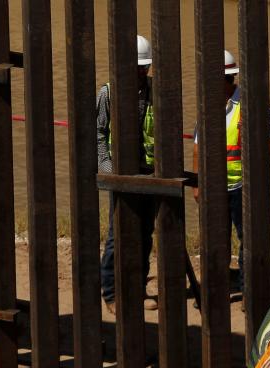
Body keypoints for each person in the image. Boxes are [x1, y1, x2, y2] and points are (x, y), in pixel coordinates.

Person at [192, 49, 270, 298]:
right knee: (216, 239)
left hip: (243, 186)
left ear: (225, 78)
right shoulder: (208, 103)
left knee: (248, 240)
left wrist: (262, 168)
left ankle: (247, 291)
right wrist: (198, 183)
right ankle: (217, 289)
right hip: (215, 186)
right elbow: (198, 144)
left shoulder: (249, 102)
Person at [99, 35, 157, 313]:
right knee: (117, 234)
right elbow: (98, 134)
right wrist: (108, 169)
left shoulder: (155, 91)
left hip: (149, 174)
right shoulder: (108, 93)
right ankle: (110, 292)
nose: (142, 72)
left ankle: (138, 288)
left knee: (145, 234)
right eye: (137, 67)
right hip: (120, 175)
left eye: (144, 67)